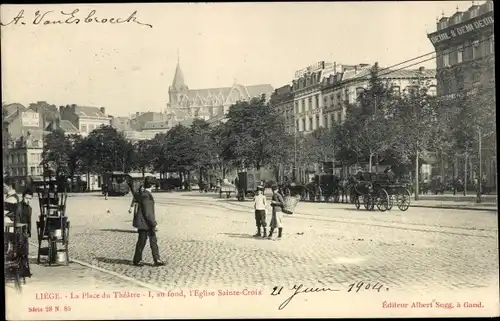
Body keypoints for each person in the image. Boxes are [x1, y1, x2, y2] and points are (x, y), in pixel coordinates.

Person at [132, 177, 165, 267]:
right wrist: (154, 223)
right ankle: (137, 260)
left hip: (145, 223)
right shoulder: (147, 196)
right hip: (145, 223)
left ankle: (156, 259)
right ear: (152, 185)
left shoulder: (143, 194)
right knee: (142, 241)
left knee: (152, 240)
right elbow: (148, 213)